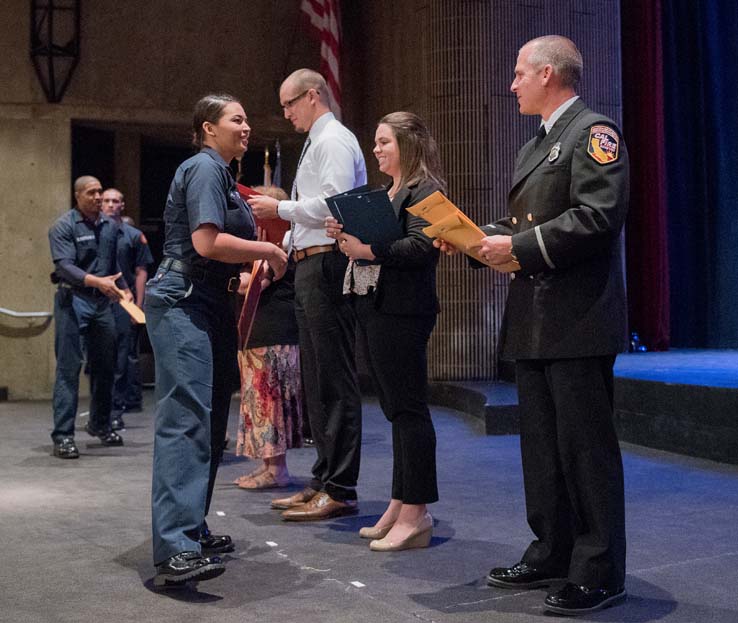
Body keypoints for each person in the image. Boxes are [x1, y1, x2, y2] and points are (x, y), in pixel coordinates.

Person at [437, 36, 628, 615]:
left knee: (584, 449)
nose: (512, 83)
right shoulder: (537, 144)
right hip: (536, 317)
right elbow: (527, 220)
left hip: (576, 317)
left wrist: (514, 244)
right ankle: (552, 550)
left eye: (520, 73)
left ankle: (600, 570)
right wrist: (471, 240)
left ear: (548, 74)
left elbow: (598, 216)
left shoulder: (596, 132)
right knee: (542, 447)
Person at [145, 94, 287, 588]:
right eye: (237, 119)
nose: (246, 127)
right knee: (186, 421)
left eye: (246, 119)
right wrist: (267, 247)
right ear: (208, 128)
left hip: (206, 301)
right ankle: (175, 549)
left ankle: (192, 528)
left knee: (206, 422)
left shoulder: (221, 175)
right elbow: (206, 243)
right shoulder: (204, 168)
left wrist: (244, 278)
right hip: (183, 300)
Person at [249, 69, 367, 521]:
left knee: (334, 377)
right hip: (308, 261)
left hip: (328, 262)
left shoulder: (334, 139)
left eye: (289, 103)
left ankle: (341, 486)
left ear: (313, 96)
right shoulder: (317, 141)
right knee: (316, 379)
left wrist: (279, 208)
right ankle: (323, 478)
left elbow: (336, 202)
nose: (286, 113)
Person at [325, 112, 444, 551]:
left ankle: (417, 513)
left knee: (410, 411)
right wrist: (346, 235)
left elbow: (420, 248)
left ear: (408, 145)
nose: (375, 150)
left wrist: (367, 248)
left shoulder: (425, 189)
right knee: (396, 411)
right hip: (377, 306)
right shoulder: (388, 192)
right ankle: (401, 502)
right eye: (375, 143)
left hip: (404, 310)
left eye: (384, 142)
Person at [48, 176, 131, 459]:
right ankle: (63, 436)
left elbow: (113, 262)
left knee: (106, 367)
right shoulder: (63, 226)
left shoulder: (109, 226)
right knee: (69, 369)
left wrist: (124, 289)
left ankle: (100, 424)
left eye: (100, 191)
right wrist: (98, 282)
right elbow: (65, 268)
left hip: (101, 304)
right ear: (78, 196)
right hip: (73, 300)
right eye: (92, 192)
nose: (98, 197)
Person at [234, 185, 303, 490]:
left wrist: (249, 277)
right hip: (258, 329)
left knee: (269, 401)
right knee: (258, 400)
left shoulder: (285, 243)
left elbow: (260, 281)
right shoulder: (262, 245)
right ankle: (267, 465)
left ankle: (277, 470)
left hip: (274, 330)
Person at [101, 188, 153, 429]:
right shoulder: (93, 233)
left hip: (125, 301)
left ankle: (117, 409)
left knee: (123, 358)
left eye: (115, 201)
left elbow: (142, 271)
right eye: (106, 201)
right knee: (100, 359)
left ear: (122, 205)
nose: (111, 205)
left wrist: (138, 307)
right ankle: (100, 411)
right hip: (98, 301)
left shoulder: (133, 235)